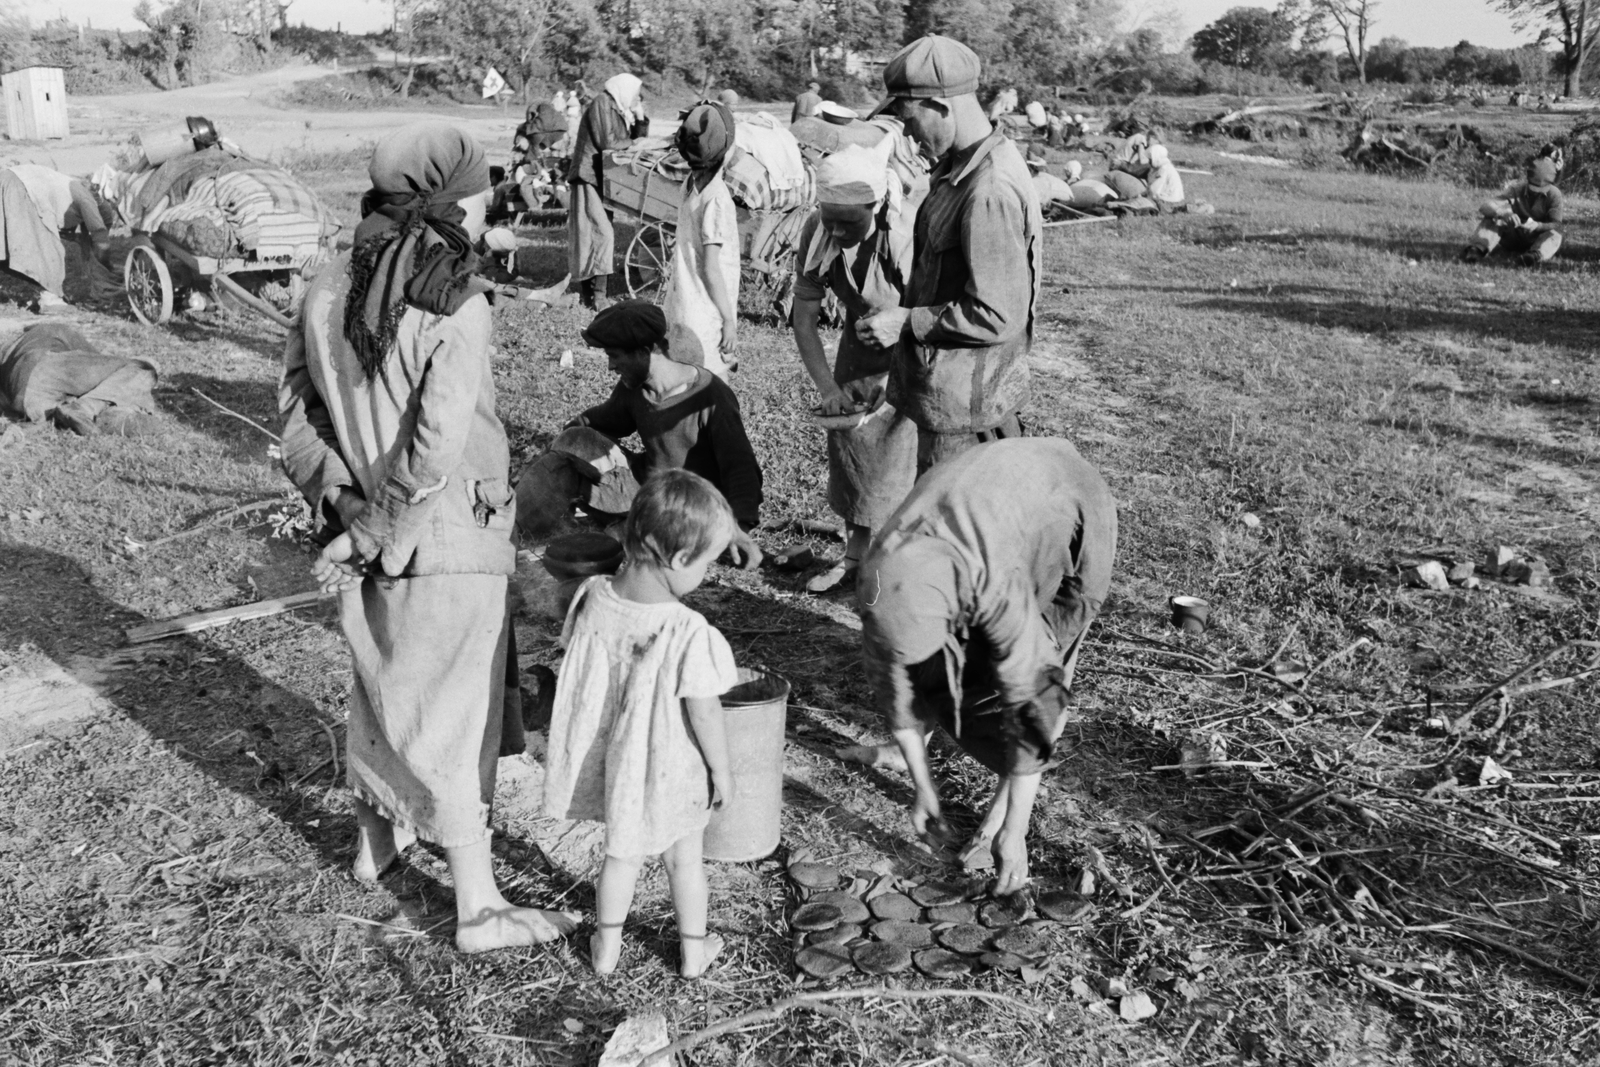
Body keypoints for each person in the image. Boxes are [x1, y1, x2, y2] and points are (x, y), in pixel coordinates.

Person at [279, 122, 579, 954]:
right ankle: (480, 907)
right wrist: (377, 527)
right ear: (447, 202)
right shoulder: (459, 303)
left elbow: (298, 410)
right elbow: (434, 450)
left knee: (384, 681)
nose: (489, 209)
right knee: (455, 709)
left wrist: (341, 501)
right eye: (480, 195)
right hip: (444, 534)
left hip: (370, 522)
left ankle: (376, 841)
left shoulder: (328, 282)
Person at [858, 437, 1117, 896]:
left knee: (1045, 659)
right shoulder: (879, 584)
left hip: (1069, 500)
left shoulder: (992, 586)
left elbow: (1038, 703)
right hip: (985, 501)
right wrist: (924, 789)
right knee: (956, 676)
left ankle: (999, 820)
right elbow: (899, 693)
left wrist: (1015, 831)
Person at [544, 469, 740, 978]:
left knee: (620, 855)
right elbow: (704, 709)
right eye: (707, 564)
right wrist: (722, 770)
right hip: (673, 767)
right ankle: (693, 955)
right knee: (685, 860)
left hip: (618, 761)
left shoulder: (590, 595)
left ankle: (606, 951)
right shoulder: (686, 629)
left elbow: (578, 662)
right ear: (678, 560)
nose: (706, 575)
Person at [856, 35, 1042, 476]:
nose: (907, 133)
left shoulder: (988, 190)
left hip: (967, 414)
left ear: (940, 106)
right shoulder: (959, 168)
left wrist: (906, 321)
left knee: (950, 538)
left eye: (907, 118)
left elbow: (997, 314)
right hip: (952, 398)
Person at [518, 300, 764, 567]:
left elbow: (740, 468)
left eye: (614, 356)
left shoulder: (711, 397)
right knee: (573, 440)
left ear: (646, 351)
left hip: (684, 506)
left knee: (636, 537)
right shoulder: (636, 387)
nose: (611, 366)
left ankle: (623, 532)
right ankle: (511, 526)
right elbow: (607, 419)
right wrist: (573, 429)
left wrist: (738, 528)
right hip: (642, 487)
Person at [790, 142, 918, 593]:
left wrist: (899, 337)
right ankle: (853, 559)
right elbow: (802, 316)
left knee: (900, 467)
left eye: (851, 222)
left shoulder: (902, 235)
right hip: (858, 353)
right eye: (831, 220)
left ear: (876, 205)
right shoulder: (816, 232)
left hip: (918, 354)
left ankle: (890, 569)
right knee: (854, 459)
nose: (839, 232)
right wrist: (828, 386)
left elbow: (935, 313)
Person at [662, 100, 741, 378]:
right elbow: (711, 268)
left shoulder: (689, 186)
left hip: (682, 305)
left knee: (683, 381)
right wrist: (729, 321)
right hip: (707, 314)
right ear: (725, 149)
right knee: (709, 386)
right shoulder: (717, 198)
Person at [567, 73, 648, 310]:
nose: (635, 97)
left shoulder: (619, 108)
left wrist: (640, 117)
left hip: (604, 177)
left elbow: (634, 138)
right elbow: (607, 142)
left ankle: (594, 294)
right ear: (623, 89)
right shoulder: (602, 103)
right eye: (634, 93)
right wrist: (634, 143)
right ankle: (596, 295)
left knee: (597, 234)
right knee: (599, 234)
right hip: (588, 175)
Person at [0, 322, 160, 436]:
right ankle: (87, 408)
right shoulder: (56, 330)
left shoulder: (12, 349)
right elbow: (98, 362)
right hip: (44, 371)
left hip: (27, 402)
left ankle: (96, 410)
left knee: (113, 387)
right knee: (145, 368)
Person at [1, 164, 112, 313]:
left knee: (4, 244)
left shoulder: (70, 190)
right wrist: (108, 266)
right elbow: (101, 239)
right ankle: (50, 300)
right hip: (24, 186)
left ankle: (48, 290)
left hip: (7, 178)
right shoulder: (89, 200)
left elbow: (85, 243)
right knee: (50, 248)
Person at [1463, 156, 1564, 266]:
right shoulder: (1516, 189)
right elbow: (1485, 206)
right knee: (1493, 217)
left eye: (1540, 190)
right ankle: (1476, 250)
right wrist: (1503, 213)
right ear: (1528, 181)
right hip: (1513, 235)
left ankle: (1533, 256)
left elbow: (1557, 224)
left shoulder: (1554, 195)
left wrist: (1538, 226)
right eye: (1532, 188)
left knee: (1555, 234)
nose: (1535, 193)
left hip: (1536, 239)